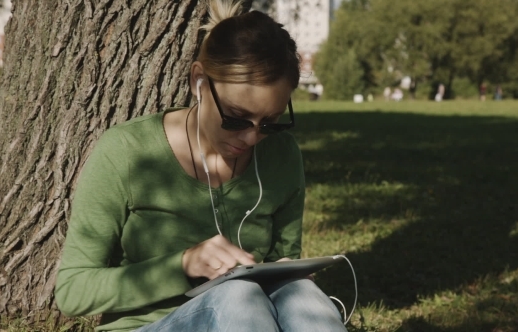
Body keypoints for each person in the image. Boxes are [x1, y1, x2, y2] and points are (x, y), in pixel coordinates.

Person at [54, 1, 347, 331]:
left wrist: (287, 272)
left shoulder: (282, 155)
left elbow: (286, 261)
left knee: (301, 293)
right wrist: (184, 265)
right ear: (199, 83)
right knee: (236, 297)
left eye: (269, 122)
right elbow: (72, 291)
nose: (252, 137)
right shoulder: (126, 151)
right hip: (153, 325)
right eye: (236, 118)